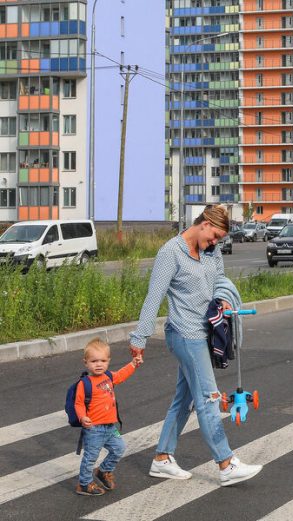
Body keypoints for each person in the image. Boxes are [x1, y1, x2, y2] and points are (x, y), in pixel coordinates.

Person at [129, 205, 262, 487]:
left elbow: (219, 281)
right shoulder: (170, 253)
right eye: (214, 236)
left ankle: (162, 458)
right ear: (204, 223)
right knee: (209, 398)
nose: (215, 242)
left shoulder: (212, 252)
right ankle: (226, 463)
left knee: (185, 399)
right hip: (184, 334)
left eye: (219, 239)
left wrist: (223, 299)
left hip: (205, 332)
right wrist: (139, 337)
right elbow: (153, 297)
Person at [74, 339, 141, 496]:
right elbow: (79, 403)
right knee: (90, 458)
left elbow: (121, 375)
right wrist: (82, 417)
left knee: (119, 448)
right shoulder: (84, 383)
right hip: (94, 429)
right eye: (94, 361)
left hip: (110, 427)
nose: (99, 364)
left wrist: (133, 364)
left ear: (108, 361)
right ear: (86, 362)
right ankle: (84, 484)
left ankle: (103, 471)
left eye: (103, 361)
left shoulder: (109, 377)